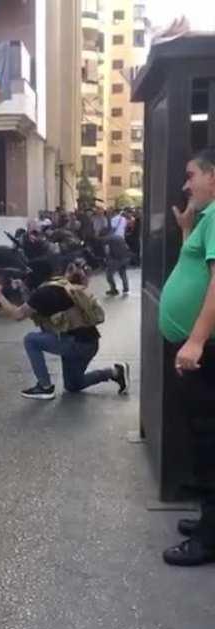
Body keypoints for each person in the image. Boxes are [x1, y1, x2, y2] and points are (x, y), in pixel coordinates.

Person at [159, 147, 215, 566]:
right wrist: (185, 229)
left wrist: (195, 340)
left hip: (205, 352)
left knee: (208, 440)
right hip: (195, 349)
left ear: (212, 175)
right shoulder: (206, 219)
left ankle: (209, 540)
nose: (186, 183)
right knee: (200, 437)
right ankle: (207, 521)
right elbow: (193, 268)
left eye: (191, 174)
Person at [0, 258, 130, 400]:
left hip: (76, 344)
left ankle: (45, 387)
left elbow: (18, 314)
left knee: (31, 340)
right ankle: (115, 372)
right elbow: (36, 306)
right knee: (73, 385)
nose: (24, 281)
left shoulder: (43, 293)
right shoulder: (57, 285)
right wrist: (23, 287)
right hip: (89, 343)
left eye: (26, 278)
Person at [105, 210, 131, 295]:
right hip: (124, 256)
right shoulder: (120, 237)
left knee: (109, 275)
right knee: (122, 272)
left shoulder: (109, 238)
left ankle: (113, 289)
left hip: (116, 258)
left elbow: (108, 251)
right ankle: (126, 288)